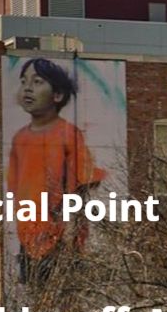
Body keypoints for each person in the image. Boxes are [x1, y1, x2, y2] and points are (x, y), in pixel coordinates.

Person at [7, 58, 105, 282]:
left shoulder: (68, 134)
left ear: (58, 95)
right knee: (35, 291)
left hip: (60, 236)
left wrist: (70, 227)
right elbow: (14, 189)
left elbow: (84, 183)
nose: (27, 88)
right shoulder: (19, 138)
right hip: (29, 237)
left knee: (60, 290)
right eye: (23, 82)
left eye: (37, 82)